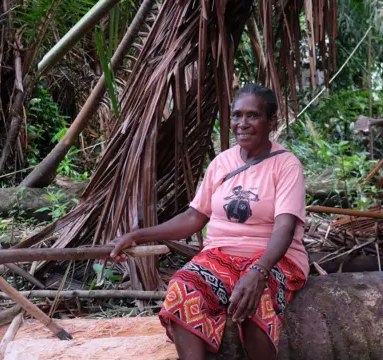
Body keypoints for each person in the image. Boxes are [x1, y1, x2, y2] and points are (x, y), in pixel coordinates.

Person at [109, 83, 309, 360]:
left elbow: (285, 228)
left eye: (253, 115)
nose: (242, 123)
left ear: (271, 121)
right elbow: (194, 217)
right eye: (237, 115)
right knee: (182, 288)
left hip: (274, 257)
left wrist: (259, 271)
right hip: (220, 256)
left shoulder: (286, 165)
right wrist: (139, 235)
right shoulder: (222, 163)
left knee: (255, 299)